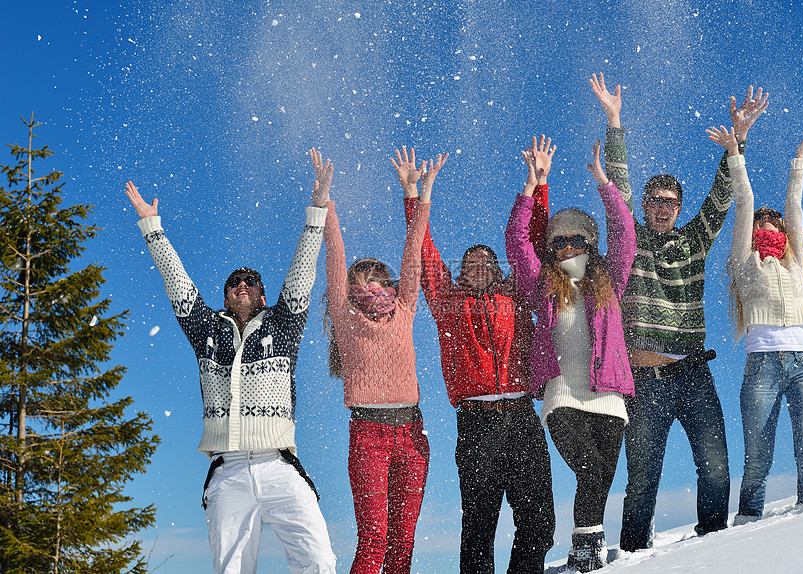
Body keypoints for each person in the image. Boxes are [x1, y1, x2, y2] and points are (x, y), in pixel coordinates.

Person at [123, 150, 337, 574]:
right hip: (228, 471)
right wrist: (153, 227)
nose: (241, 284)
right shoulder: (206, 331)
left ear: (262, 294)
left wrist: (317, 210)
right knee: (232, 569)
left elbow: (303, 270)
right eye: (233, 282)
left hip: (279, 465)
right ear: (225, 296)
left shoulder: (285, 323)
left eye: (250, 281)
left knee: (318, 561)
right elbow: (177, 281)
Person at [597, 78, 770, 552]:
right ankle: (632, 555)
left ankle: (711, 551)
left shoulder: (694, 240)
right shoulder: (631, 242)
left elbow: (720, 199)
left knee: (716, 468)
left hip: (694, 373)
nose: (661, 209)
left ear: (677, 207)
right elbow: (619, 191)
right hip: (647, 376)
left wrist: (738, 142)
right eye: (654, 201)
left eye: (670, 202)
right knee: (643, 477)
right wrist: (615, 123)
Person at [394, 146, 555, 574]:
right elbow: (425, 255)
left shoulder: (517, 296)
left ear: (499, 270)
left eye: (488, 260)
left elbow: (532, 245)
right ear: (461, 273)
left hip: (522, 417)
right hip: (477, 424)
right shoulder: (448, 302)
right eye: (470, 262)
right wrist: (414, 194)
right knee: (480, 527)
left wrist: (538, 186)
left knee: (540, 523)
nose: (480, 264)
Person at [505, 129, 636, 572]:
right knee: (588, 470)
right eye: (557, 241)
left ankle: (588, 554)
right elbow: (517, 242)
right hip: (562, 394)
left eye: (573, 240)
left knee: (599, 479)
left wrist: (604, 182)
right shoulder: (541, 283)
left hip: (609, 396)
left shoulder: (610, 281)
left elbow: (625, 234)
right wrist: (530, 187)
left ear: (588, 242)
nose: (564, 247)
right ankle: (585, 549)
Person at [708, 124, 803, 523]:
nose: (768, 227)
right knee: (758, 457)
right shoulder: (745, 264)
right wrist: (735, 154)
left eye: (774, 224)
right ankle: (747, 525)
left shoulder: (794, 263)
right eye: (762, 225)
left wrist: (800, 159)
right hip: (761, 366)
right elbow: (745, 202)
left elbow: (795, 205)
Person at [322, 148, 434, 574]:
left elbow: (413, 251)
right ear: (350, 287)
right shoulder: (345, 318)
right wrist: (326, 202)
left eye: (376, 277)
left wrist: (420, 194)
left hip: (412, 432)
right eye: (360, 278)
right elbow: (334, 252)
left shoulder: (404, 308)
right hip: (368, 434)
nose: (369, 284)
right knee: (374, 539)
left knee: (403, 542)